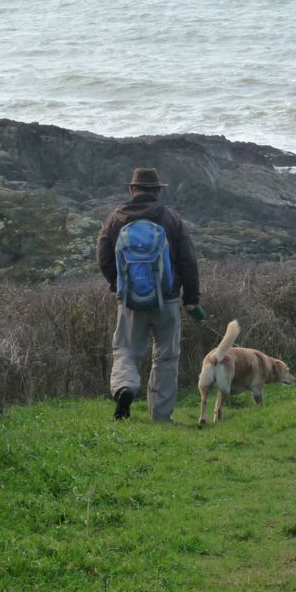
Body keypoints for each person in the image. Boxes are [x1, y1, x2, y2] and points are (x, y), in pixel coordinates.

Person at [97, 167, 204, 421]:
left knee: (126, 349)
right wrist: (191, 300)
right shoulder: (171, 218)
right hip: (166, 299)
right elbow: (188, 261)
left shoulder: (115, 218)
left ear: (132, 190)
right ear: (157, 192)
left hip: (130, 301)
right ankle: (161, 416)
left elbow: (103, 258)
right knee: (166, 357)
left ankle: (125, 388)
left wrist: (119, 285)